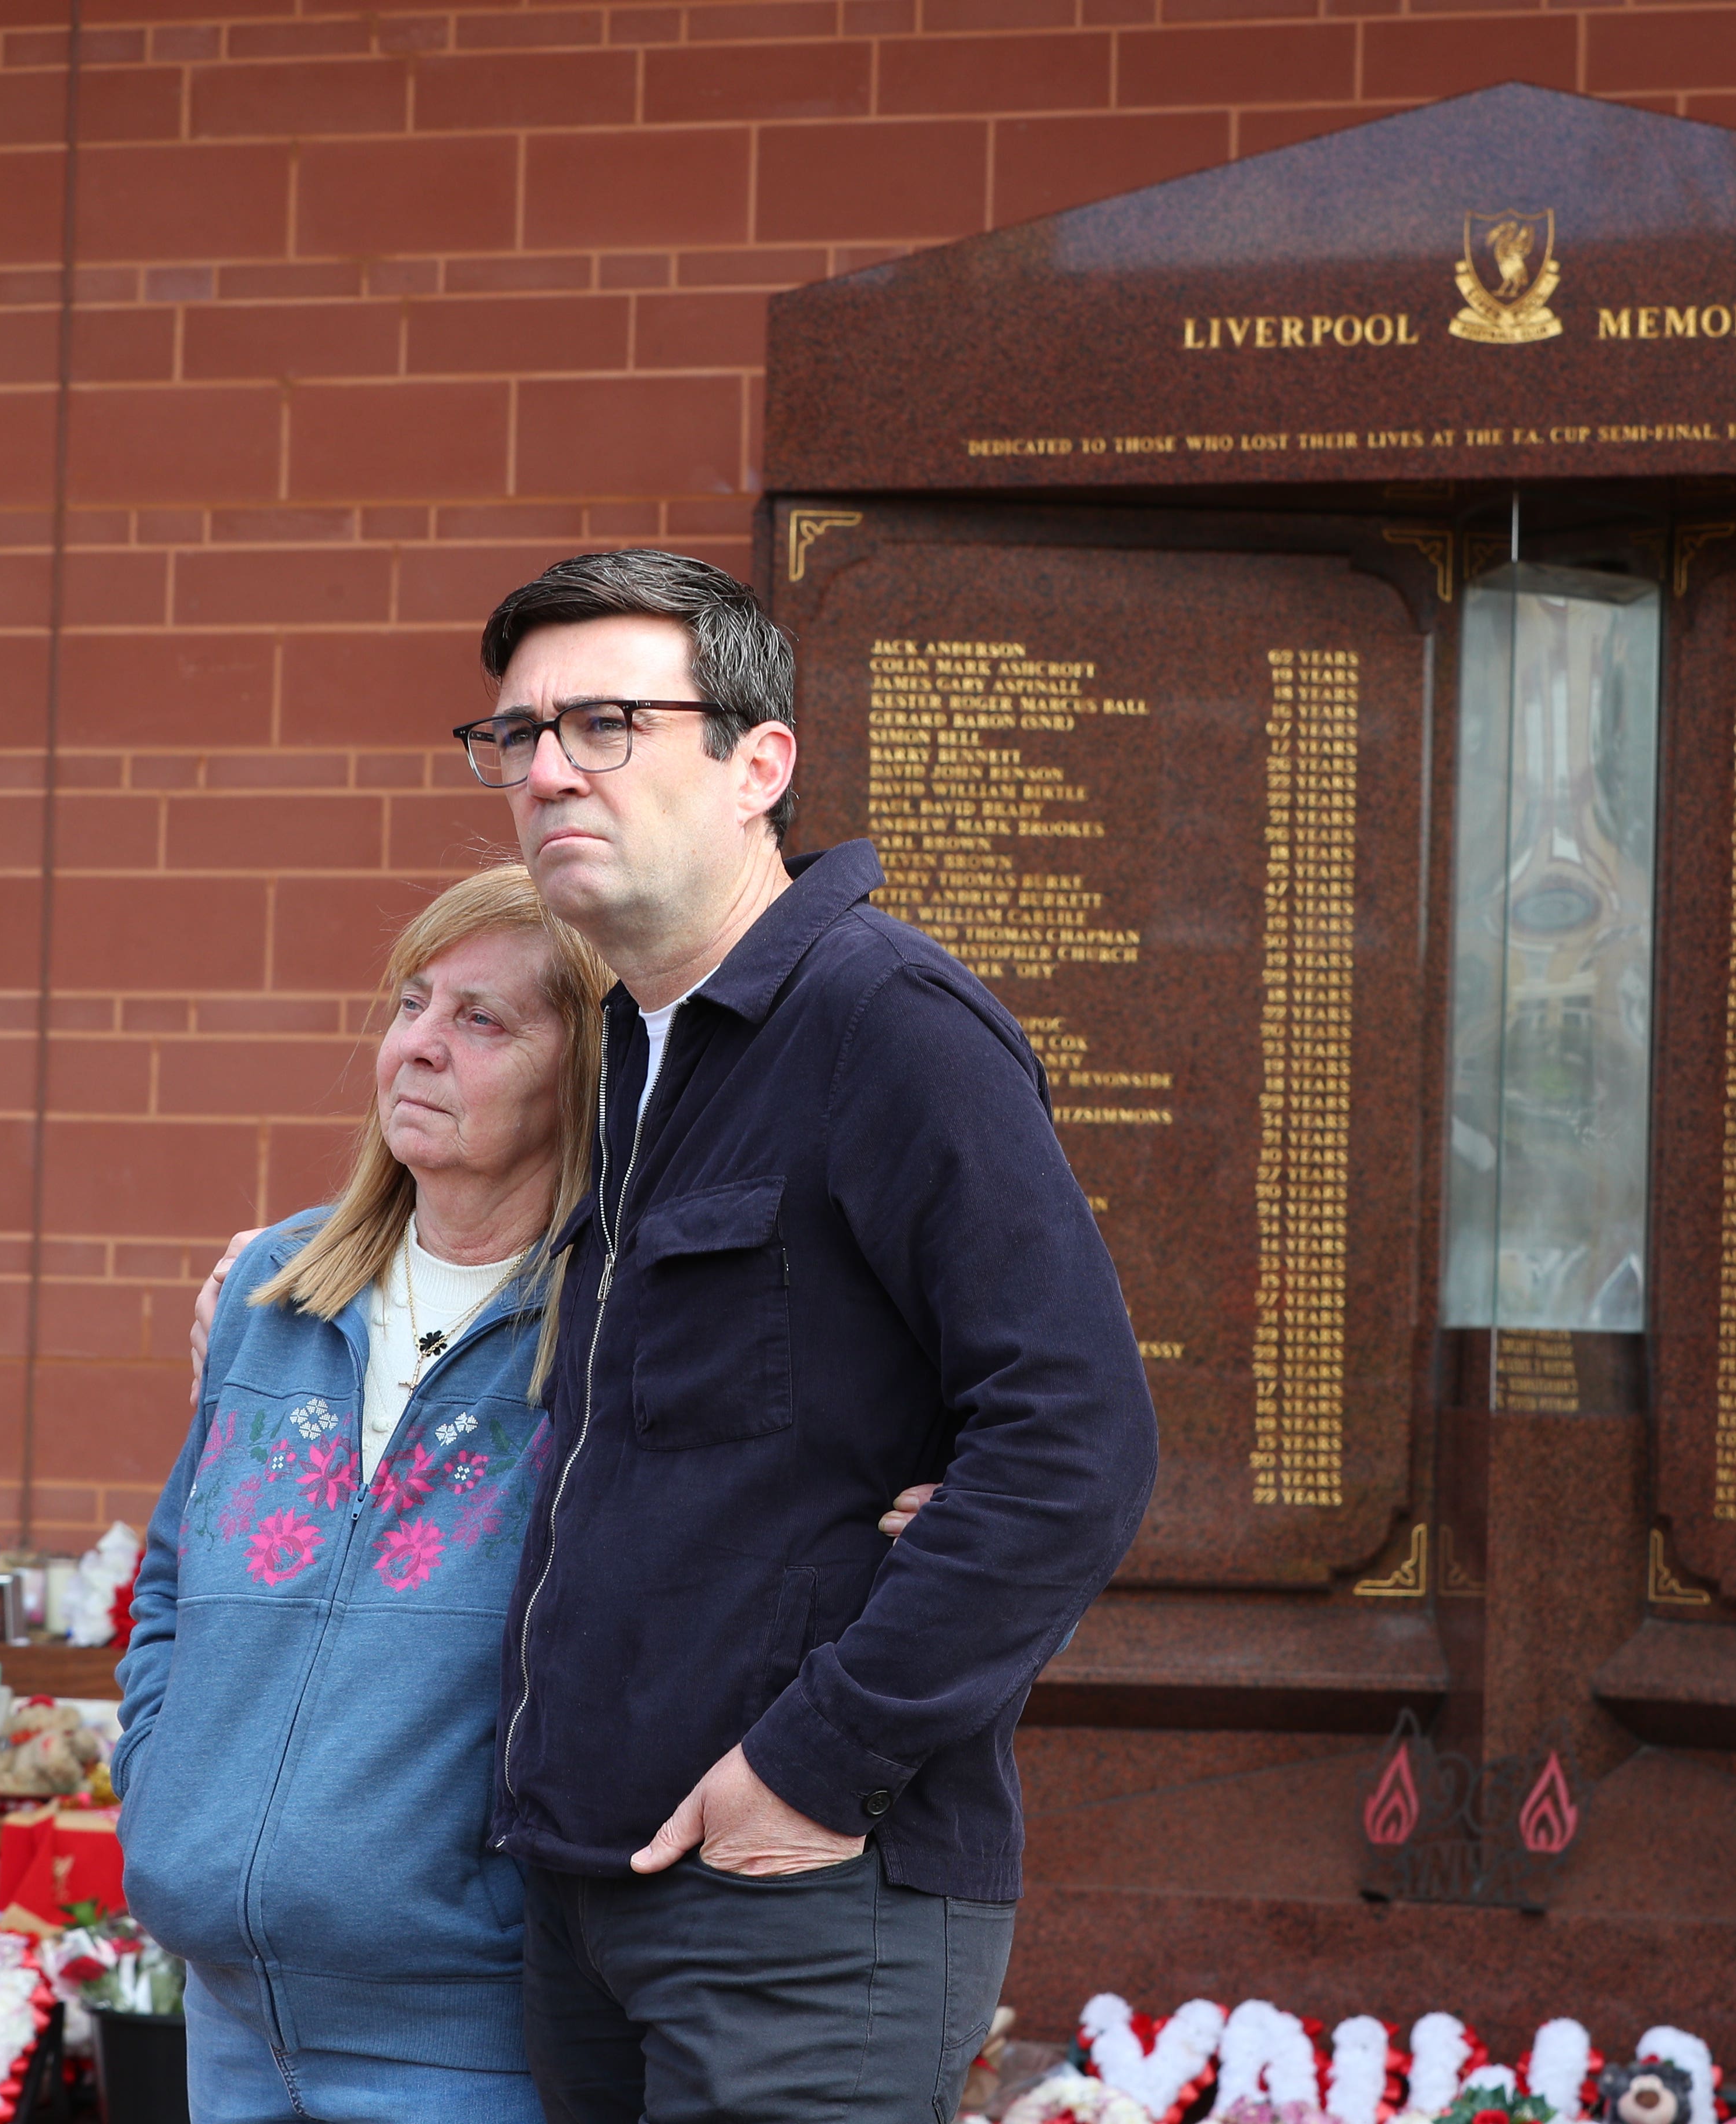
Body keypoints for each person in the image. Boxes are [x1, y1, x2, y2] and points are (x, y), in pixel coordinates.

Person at [464, 550, 1160, 2124]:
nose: (548, 767)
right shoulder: (634, 1055)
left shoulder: (888, 1023)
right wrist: (282, 1275)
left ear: (757, 763)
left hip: (805, 1903)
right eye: (515, 735)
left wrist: (816, 1758)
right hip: (589, 1884)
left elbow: (1076, 1446)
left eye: (610, 722)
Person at [114, 866, 613, 2124]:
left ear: (587, 1071)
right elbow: (173, 1578)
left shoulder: (620, 1318)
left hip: (467, 2032)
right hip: (229, 2020)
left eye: (483, 1020)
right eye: (412, 1004)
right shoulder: (277, 1289)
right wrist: (164, 1793)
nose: (421, 1047)